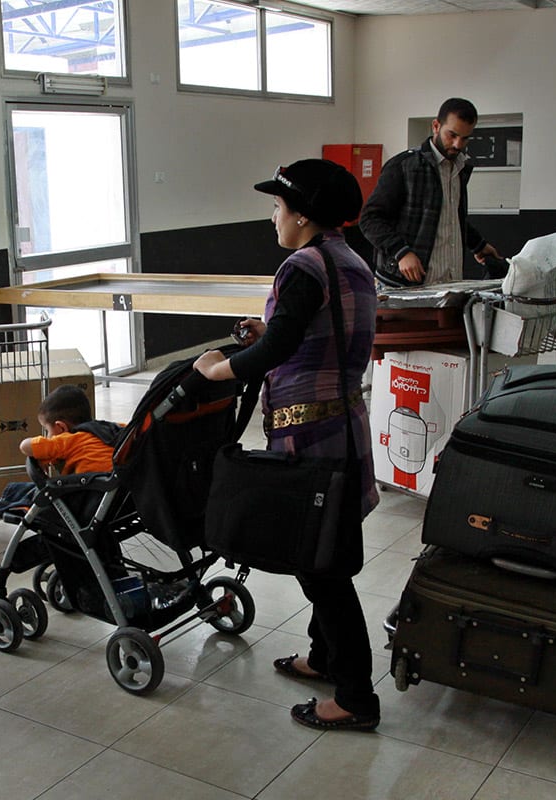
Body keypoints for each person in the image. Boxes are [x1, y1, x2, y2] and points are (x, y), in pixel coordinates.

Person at [194, 159, 381, 731]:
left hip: (312, 439)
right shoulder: (350, 260)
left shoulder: (302, 267)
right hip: (345, 430)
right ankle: (323, 658)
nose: (273, 217)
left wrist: (219, 370)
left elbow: (279, 348)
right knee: (323, 554)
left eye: (278, 207)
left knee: (322, 570)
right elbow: (307, 335)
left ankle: (355, 698)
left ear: (302, 214)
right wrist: (268, 334)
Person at [359, 97, 501, 286]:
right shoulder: (403, 165)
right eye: (452, 135)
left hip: (450, 281)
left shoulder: (459, 168)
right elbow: (370, 219)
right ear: (436, 126)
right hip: (405, 285)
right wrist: (401, 252)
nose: (458, 144)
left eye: (465, 138)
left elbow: (450, 218)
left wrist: (478, 245)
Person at [0, 384, 120, 517]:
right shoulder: (113, 429)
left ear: (61, 428)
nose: (47, 436)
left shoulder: (69, 440)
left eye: (47, 430)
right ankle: (6, 500)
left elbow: (25, 446)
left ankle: (4, 504)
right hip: (119, 499)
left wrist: (44, 452)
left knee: (41, 493)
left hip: (88, 502)